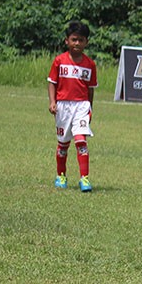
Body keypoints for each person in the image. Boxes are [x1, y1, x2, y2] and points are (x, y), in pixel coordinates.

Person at [48, 21, 98, 192]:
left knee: (81, 141)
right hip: (63, 106)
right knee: (63, 144)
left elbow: (90, 89)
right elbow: (52, 83)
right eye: (74, 39)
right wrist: (53, 102)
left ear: (86, 42)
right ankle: (61, 175)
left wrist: (89, 108)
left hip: (82, 106)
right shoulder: (59, 61)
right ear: (67, 41)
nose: (77, 43)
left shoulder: (90, 64)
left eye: (81, 40)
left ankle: (84, 178)